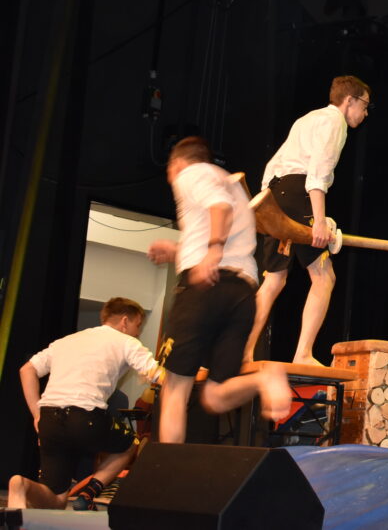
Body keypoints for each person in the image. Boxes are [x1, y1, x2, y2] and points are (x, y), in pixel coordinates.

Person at [147, 137, 291, 444]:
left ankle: (170, 471)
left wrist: (213, 251)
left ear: (177, 164)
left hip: (206, 288)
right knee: (214, 396)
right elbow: (222, 221)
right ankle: (264, 379)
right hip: (242, 293)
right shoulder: (231, 184)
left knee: (174, 389)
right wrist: (178, 251)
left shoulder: (191, 173)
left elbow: (218, 207)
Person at [243, 75, 372, 366]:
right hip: (299, 192)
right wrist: (320, 221)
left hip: (276, 193)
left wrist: (268, 208)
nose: (365, 113)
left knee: (274, 279)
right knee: (325, 277)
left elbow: (273, 166)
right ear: (349, 100)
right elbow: (318, 173)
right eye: (364, 105)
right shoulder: (335, 122)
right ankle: (302, 354)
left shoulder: (307, 119)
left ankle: (244, 352)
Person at [7, 298, 162, 510]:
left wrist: (37, 414)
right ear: (125, 321)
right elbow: (157, 374)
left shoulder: (66, 341)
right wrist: (184, 378)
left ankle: (21, 484)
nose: (138, 333)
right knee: (130, 444)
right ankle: (89, 493)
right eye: (138, 326)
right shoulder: (127, 342)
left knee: (56, 500)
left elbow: (26, 370)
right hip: (86, 417)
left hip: (50, 419)